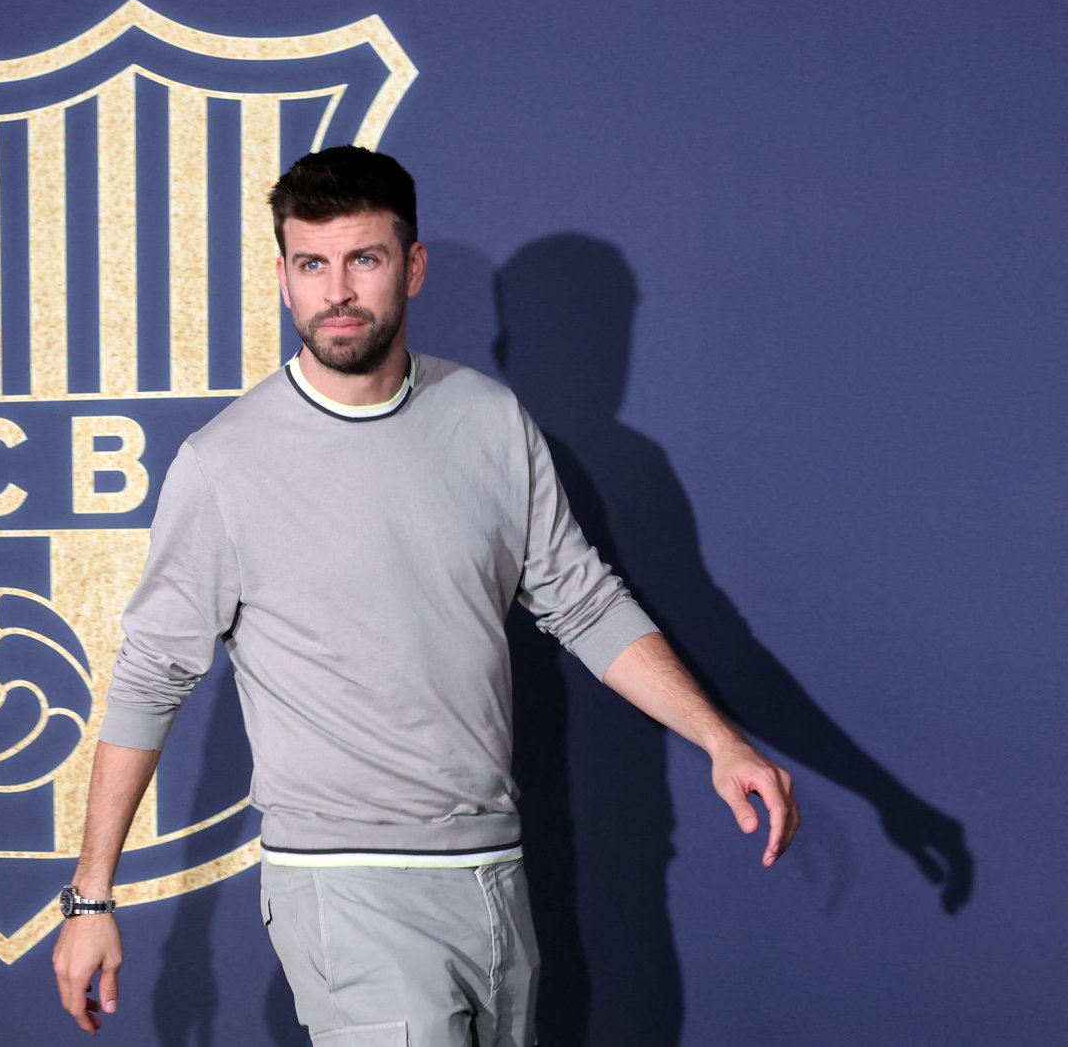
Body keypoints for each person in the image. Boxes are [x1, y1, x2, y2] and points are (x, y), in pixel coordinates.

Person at [52, 145, 798, 1045]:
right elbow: (152, 674)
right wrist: (91, 896)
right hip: (346, 884)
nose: (336, 290)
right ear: (283, 278)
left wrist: (718, 740)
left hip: (493, 870)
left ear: (411, 267)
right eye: (310, 263)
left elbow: (584, 603)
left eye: (363, 259)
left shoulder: (488, 419)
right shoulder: (226, 463)